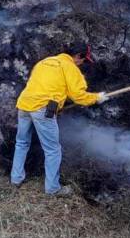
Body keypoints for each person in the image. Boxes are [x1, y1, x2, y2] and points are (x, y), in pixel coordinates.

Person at [10, 41, 110, 196]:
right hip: (42, 108)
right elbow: (79, 96)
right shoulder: (70, 67)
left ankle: (16, 179)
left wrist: (58, 105)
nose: (82, 63)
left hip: (24, 104)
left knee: (22, 142)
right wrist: (97, 98)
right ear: (78, 56)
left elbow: (40, 85)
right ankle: (52, 189)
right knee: (53, 150)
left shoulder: (45, 61)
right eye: (83, 60)